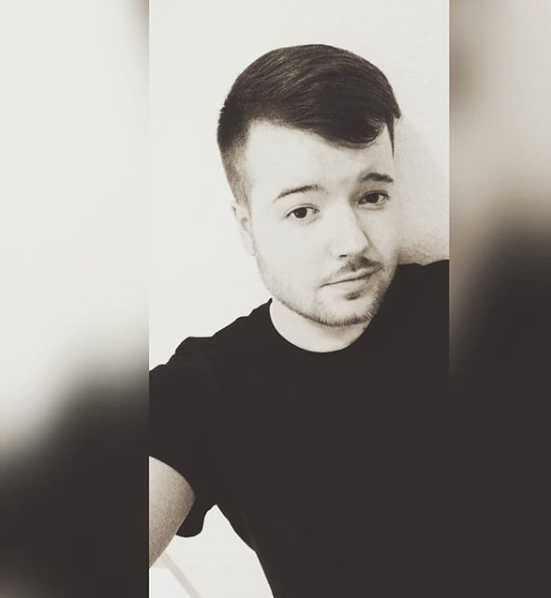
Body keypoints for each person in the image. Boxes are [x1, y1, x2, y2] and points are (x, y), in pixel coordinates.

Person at [150, 44, 449, 597]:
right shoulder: (204, 391)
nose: (353, 243)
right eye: (303, 210)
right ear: (247, 227)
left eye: (372, 196)